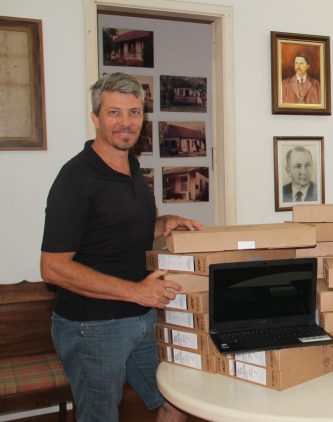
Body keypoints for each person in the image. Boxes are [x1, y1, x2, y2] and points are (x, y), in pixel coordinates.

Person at [40, 72, 203, 422]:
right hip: (91, 327)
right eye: (114, 112)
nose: (125, 122)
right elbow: (53, 268)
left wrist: (163, 223)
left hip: (140, 317)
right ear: (96, 117)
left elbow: (111, 231)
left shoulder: (132, 168)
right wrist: (136, 292)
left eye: (134, 112)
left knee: (177, 403)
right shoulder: (76, 178)